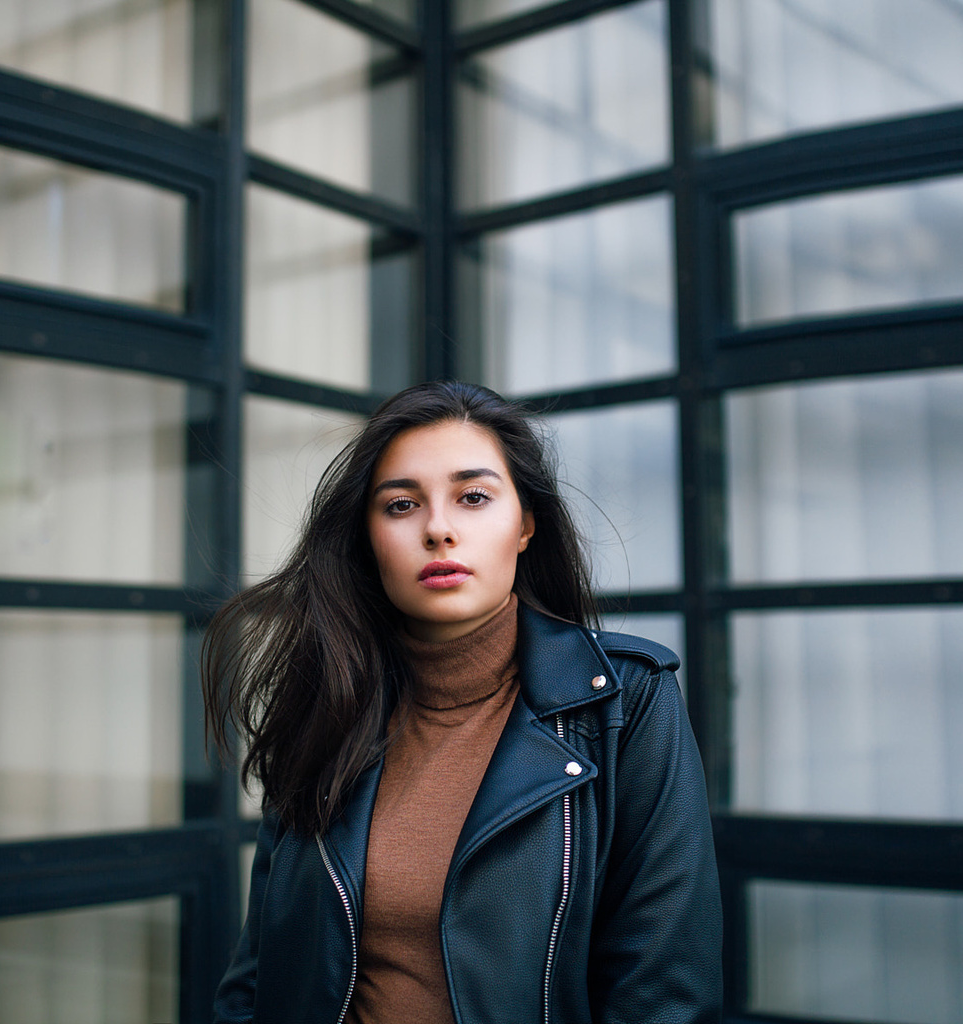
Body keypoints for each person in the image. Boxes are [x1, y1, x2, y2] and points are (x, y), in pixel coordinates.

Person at [202, 381, 722, 1024]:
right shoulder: (328, 702)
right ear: (368, 537)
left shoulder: (624, 701)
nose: (439, 529)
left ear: (526, 523)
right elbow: (258, 974)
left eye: (473, 498)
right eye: (400, 506)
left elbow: (665, 992)